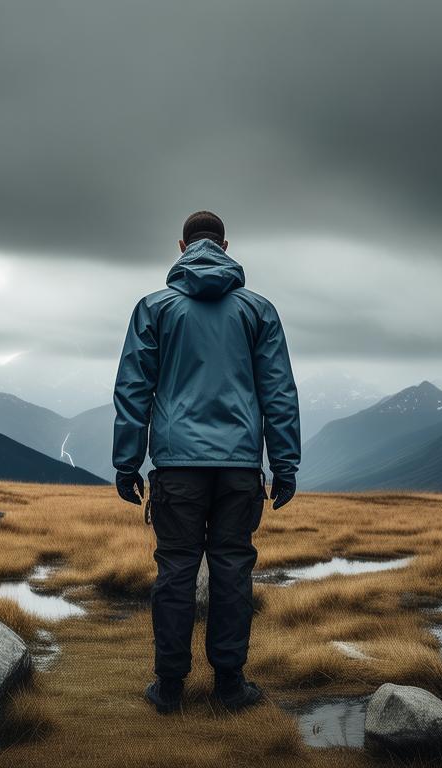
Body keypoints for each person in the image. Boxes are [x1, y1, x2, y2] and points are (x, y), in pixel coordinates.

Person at [113, 210, 301, 714]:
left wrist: (127, 463)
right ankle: (230, 686)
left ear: (181, 246)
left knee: (175, 570)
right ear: (225, 245)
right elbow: (278, 393)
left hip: (176, 467)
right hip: (240, 467)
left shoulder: (154, 308)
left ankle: (169, 688)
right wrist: (285, 465)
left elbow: (133, 389)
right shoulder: (258, 311)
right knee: (233, 569)